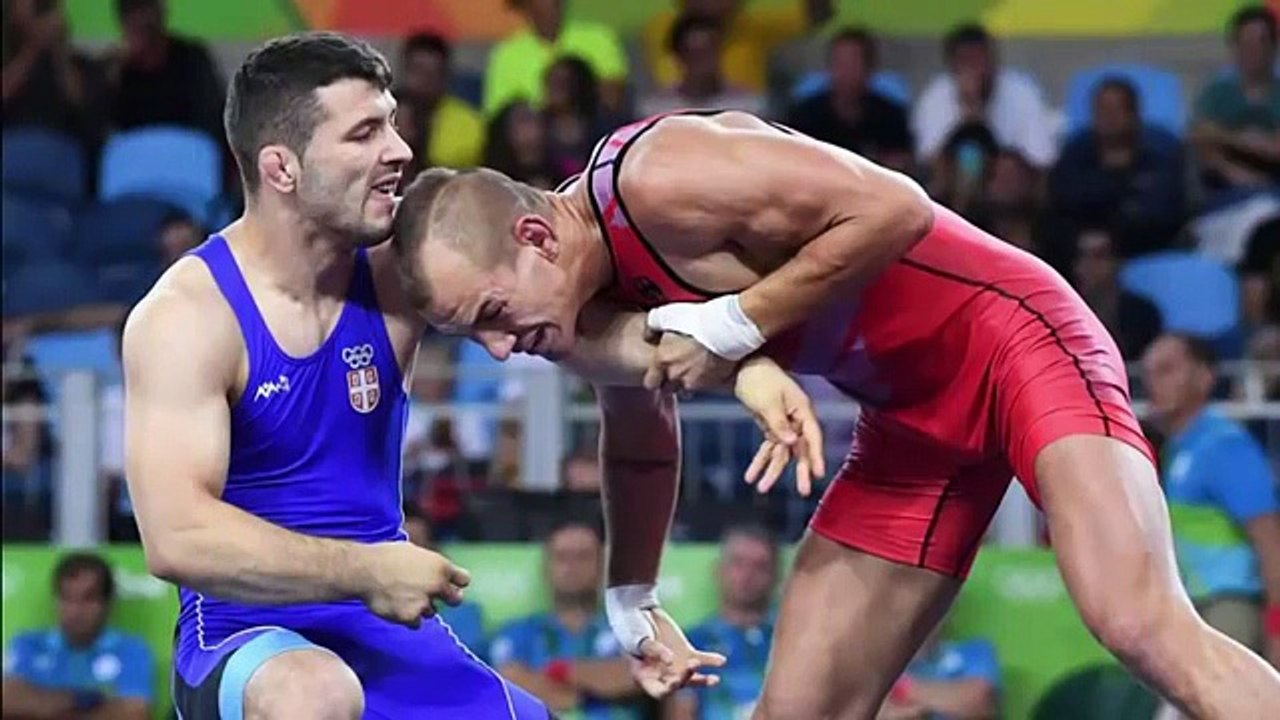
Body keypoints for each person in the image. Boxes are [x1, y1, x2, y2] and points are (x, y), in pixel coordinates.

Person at [390, 109, 1280, 718]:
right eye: (477, 340)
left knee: (1136, 619)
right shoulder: (582, 312)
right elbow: (640, 445)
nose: (503, 350)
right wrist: (633, 596)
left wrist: (737, 321)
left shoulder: (663, 176)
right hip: (910, 424)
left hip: (1018, 339)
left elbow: (895, 207)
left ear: (536, 237)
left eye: (494, 318)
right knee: (797, 709)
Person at [124, 32, 814, 719]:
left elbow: (594, 335)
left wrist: (742, 367)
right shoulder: (190, 316)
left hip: (383, 625)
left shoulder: (399, 265)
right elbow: (178, 537)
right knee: (314, 694)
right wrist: (363, 570)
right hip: (245, 640)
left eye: (392, 123)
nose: (398, 150)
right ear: (282, 168)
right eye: (364, 133)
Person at [1141, 334, 1280, 669]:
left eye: (1168, 369)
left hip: (1229, 610)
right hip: (1193, 609)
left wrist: (1277, 629)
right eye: (1149, 372)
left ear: (1204, 378)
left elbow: (1270, 541)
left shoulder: (1225, 445)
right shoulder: (1179, 449)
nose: (1153, 382)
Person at [489, 521, 648, 717]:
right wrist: (592, 685)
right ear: (546, 569)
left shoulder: (634, 627)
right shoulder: (518, 631)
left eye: (583, 557)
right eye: (562, 557)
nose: (572, 567)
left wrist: (559, 672)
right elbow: (509, 685)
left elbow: (636, 676)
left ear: (601, 567)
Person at [2, 552, 154, 720]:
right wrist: (82, 700)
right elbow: (7, 701)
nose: (75, 611)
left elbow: (134, 714)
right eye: (67, 598)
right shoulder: (28, 643)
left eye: (87, 599)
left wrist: (41, 704)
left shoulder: (131, 649)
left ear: (108, 603)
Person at [667, 525, 779, 720]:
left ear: (775, 578)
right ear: (718, 570)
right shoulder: (690, 642)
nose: (748, 575)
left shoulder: (790, 642)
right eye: (738, 563)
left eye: (760, 566)